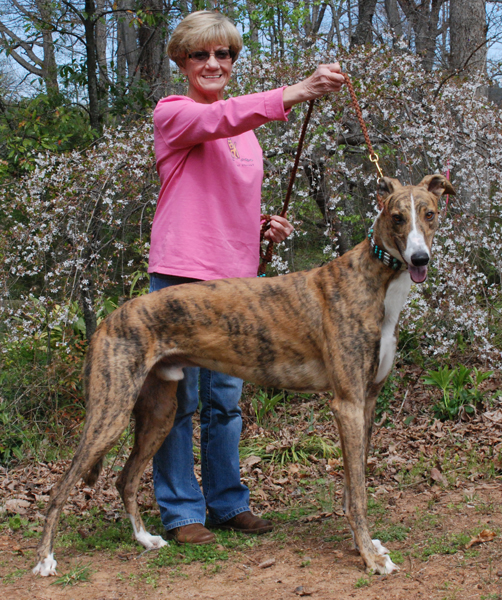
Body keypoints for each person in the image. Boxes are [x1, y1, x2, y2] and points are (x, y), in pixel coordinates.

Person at [149, 10, 345, 545]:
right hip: (182, 278)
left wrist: (262, 226)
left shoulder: (247, 135)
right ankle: (181, 511)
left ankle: (227, 502)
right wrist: (294, 92)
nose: (213, 63)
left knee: (225, 402)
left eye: (224, 54)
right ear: (182, 62)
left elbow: (219, 196)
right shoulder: (175, 112)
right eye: (200, 54)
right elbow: (220, 119)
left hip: (237, 284)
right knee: (177, 399)